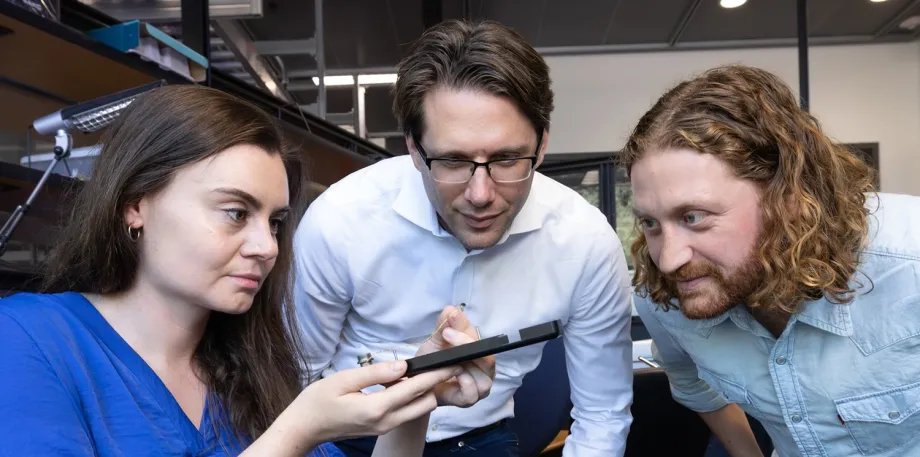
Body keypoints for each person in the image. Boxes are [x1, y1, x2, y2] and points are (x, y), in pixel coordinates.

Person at [0, 84, 494, 457]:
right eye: (236, 213)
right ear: (135, 206)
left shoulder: (249, 369)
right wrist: (296, 433)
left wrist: (415, 398)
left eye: (275, 222)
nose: (266, 246)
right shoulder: (29, 340)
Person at [293, 19, 634, 457]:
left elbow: (602, 414)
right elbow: (293, 377)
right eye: (452, 160)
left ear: (543, 145)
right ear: (414, 150)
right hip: (348, 435)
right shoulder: (340, 221)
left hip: (484, 437)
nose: (481, 195)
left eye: (508, 158)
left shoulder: (584, 242)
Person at [622, 64, 920, 457]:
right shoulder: (665, 297)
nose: (668, 260)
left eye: (693, 217)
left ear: (789, 198)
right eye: (650, 222)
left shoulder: (910, 261)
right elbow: (692, 384)